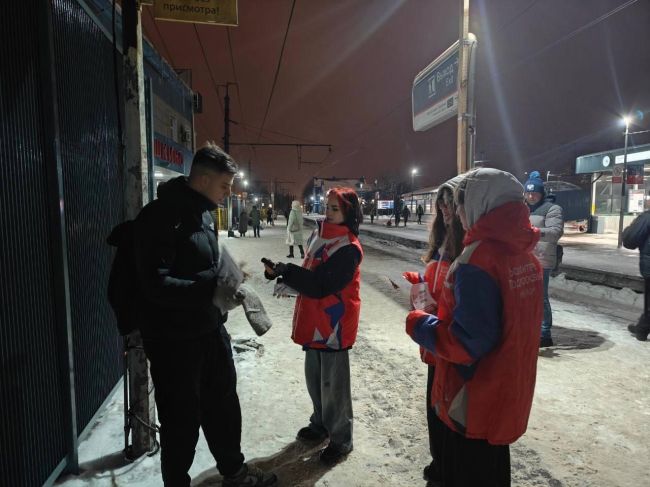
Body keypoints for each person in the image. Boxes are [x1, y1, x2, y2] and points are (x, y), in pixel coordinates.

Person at [133, 143, 277, 487]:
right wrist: (211, 285)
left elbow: (202, 266)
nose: (229, 194)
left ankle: (235, 472)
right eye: (224, 186)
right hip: (174, 343)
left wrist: (229, 276)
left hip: (210, 331)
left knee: (224, 407)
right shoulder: (160, 217)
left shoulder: (205, 213)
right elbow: (155, 284)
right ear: (201, 179)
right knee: (181, 420)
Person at [405, 168, 543, 487]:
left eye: (461, 203)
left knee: (465, 469)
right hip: (507, 385)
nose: (459, 213)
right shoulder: (525, 256)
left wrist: (418, 324)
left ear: (480, 203)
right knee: (493, 465)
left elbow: (467, 344)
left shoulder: (477, 259)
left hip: (473, 392)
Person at [263, 187, 363, 465]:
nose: (329, 213)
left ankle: (341, 439)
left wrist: (287, 271)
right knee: (315, 380)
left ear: (348, 213)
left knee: (334, 386)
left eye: (335, 209)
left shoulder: (349, 248)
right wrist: (280, 274)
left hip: (334, 325)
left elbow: (321, 285)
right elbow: (310, 272)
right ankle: (320, 424)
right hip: (315, 319)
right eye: (328, 207)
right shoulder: (319, 234)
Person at [402, 176, 465, 486]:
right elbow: (440, 279)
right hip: (434, 337)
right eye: (441, 203)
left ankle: (446, 466)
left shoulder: (467, 245)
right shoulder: (441, 242)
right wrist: (421, 282)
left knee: (447, 408)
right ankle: (438, 460)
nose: (444, 209)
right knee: (433, 406)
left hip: (448, 339)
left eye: (450, 202)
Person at [524, 170, 563, 347]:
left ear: (542, 193)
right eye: (528, 192)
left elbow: (555, 233)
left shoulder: (552, 208)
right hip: (523, 259)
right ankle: (528, 328)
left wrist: (532, 233)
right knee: (523, 296)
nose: (531, 196)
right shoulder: (521, 208)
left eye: (535, 192)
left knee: (540, 297)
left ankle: (544, 333)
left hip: (542, 259)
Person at [623, 210, 650, 341]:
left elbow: (630, 240)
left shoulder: (647, 217)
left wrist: (629, 228)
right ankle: (642, 326)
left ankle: (642, 328)